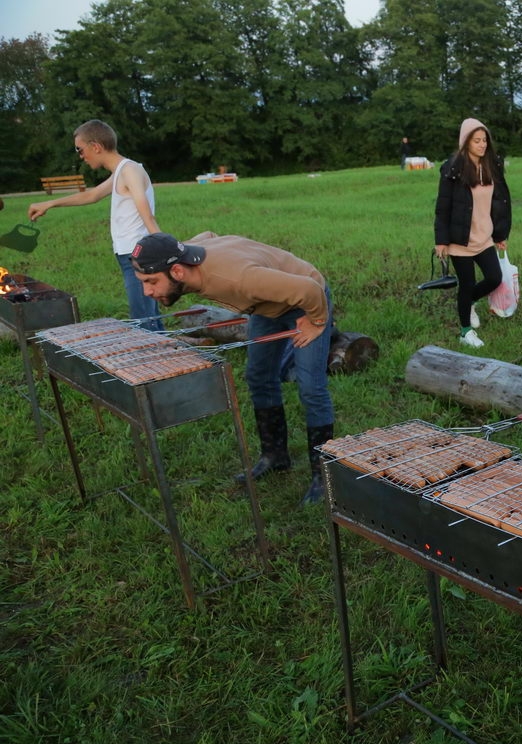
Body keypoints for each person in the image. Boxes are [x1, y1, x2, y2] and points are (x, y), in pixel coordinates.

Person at [130, 231, 335, 506]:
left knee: (311, 387)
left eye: (151, 282)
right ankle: (275, 456)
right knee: (258, 377)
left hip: (306, 300)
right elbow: (210, 235)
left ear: (178, 271)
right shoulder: (190, 258)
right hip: (266, 305)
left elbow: (309, 290)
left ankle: (324, 477)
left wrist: (318, 321)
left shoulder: (238, 279)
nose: (147, 291)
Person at [28, 119, 163, 331]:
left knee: (143, 320)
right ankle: (164, 355)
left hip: (138, 255)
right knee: (147, 316)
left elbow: (146, 215)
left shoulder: (130, 171)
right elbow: (92, 195)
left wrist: (164, 247)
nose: (81, 156)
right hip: (130, 255)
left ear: (96, 146)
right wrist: (50, 203)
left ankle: (156, 360)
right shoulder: (121, 171)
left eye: (80, 150)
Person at [434, 118, 511, 348]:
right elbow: (443, 206)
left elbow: (499, 202)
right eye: (476, 141)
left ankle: (470, 302)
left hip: (484, 237)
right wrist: (441, 241)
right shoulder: (453, 169)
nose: (482, 145)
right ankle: (465, 332)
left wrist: (499, 235)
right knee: (466, 285)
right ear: (466, 142)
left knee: (494, 278)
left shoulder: (492, 165)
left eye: (484, 140)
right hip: (460, 241)